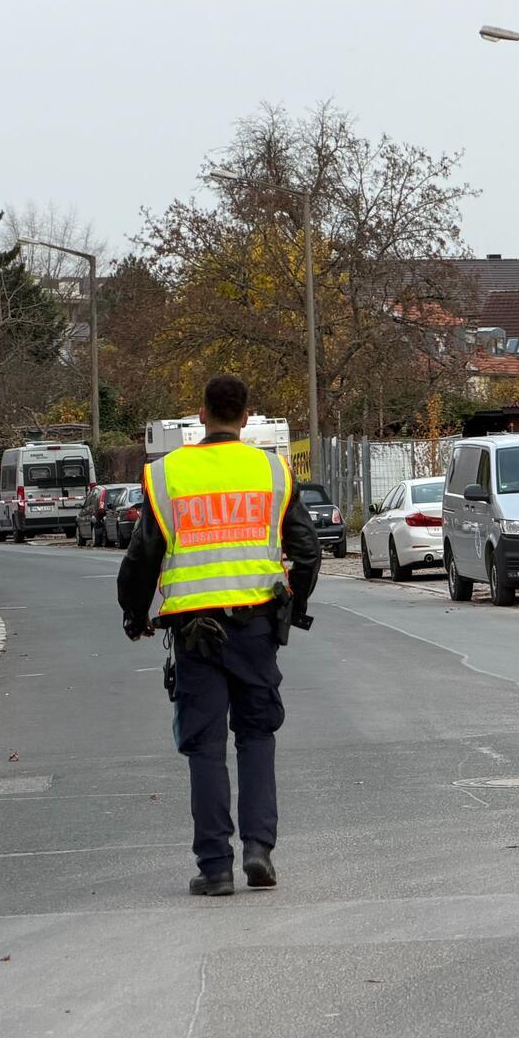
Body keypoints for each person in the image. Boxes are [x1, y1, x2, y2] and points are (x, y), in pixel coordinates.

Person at [118, 373, 321, 896]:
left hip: (193, 631)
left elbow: (143, 556)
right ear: (247, 416)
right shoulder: (271, 471)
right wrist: (292, 604)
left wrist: (134, 614)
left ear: (202, 415)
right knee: (256, 736)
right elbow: (307, 547)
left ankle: (215, 867)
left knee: (205, 746)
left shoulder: (167, 473)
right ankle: (259, 849)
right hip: (256, 625)